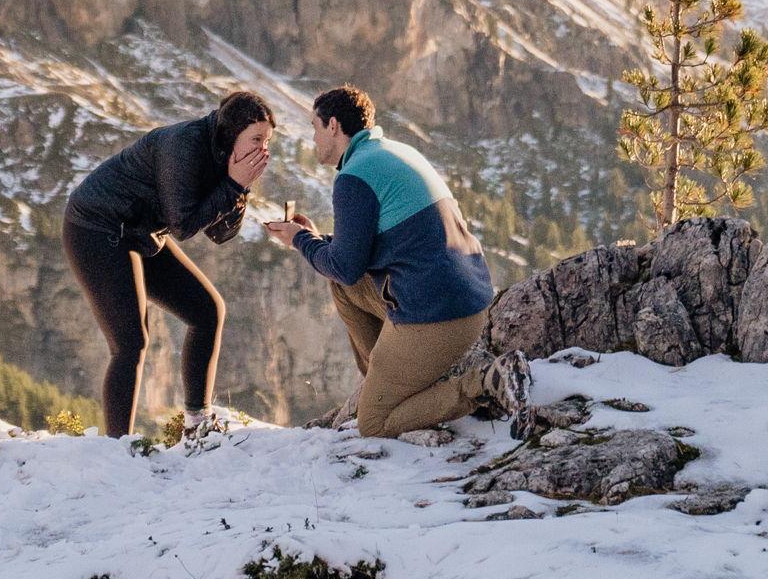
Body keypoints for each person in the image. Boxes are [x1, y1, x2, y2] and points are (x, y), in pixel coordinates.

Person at [266, 84, 529, 437]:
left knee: (372, 423)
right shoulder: (394, 153)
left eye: (314, 127)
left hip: (439, 315)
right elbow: (360, 257)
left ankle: (483, 384)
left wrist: (299, 239)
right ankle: (388, 382)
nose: (312, 137)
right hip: (470, 299)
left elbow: (345, 266)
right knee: (344, 287)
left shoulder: (353, 177)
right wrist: (316, 239)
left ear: (332, 126)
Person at [63, 89, 274, 438]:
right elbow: (184, 225)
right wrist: (234, 184)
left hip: (142, 231)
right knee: (131, 342)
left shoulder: (226, 157)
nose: (262, 149)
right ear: (231, 133)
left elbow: (221, 234)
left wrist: (241, 188)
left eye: (267, 140)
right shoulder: (185, 145)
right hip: (97, 228)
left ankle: (196, 423)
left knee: (208, 311)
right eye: (255, 138)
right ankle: (117, 447)